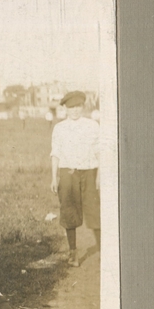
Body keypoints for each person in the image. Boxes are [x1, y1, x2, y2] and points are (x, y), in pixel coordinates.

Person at [50, 90, 101, 267]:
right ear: (65, 108)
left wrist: (99, 176)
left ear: (83, 106)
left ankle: (103, 250)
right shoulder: (59, 128)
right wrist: (53, 177)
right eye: (71, 107)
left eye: (78, 106)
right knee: (69, 210)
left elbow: (98, 151)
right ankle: (73, 253)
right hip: (67, 173)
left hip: (89, 172)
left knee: (95, 210)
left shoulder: (92, 125)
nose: (75, 110)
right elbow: (55, 153)